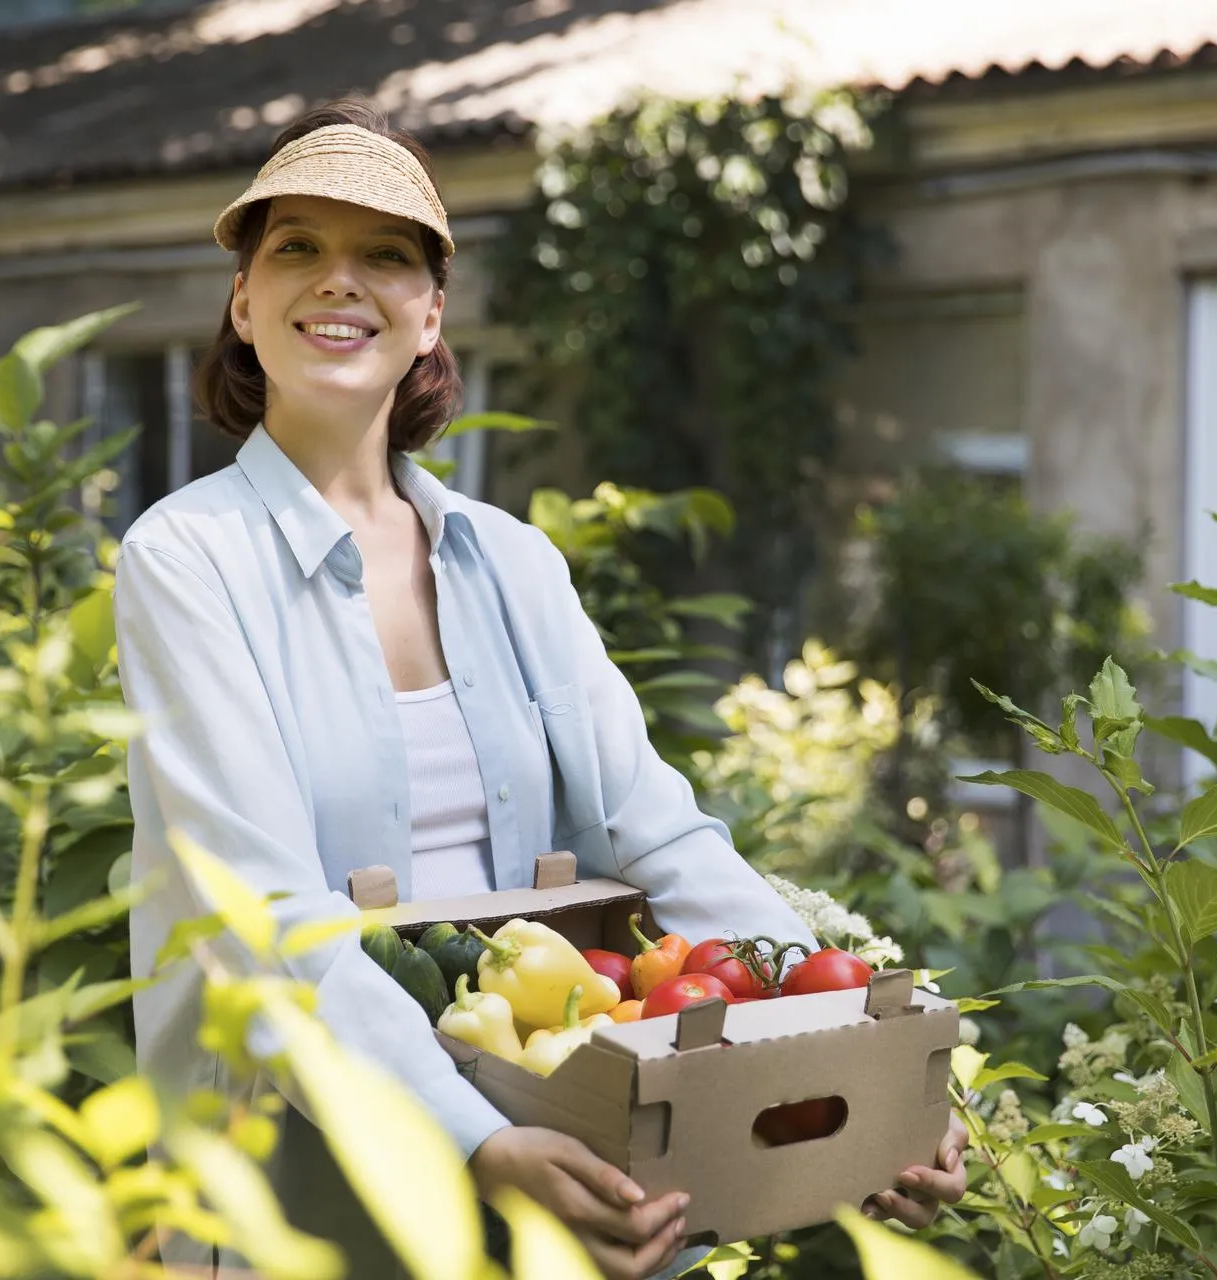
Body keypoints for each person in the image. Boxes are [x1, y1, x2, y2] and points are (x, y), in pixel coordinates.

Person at [114, 96, 969, 1280]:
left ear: (430, 315)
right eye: (296, 247)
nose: (338, 280)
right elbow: (264, 922)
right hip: (302, 1173)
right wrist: (478, 1136)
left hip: (560, 1150)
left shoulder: (510, 562)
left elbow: (659, 834)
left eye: (385, 254)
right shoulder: (186, 559)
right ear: (244, 304)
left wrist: (852, 1069)